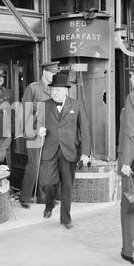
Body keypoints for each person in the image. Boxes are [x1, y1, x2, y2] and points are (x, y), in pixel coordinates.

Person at [38, 73, 91, 229]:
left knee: (67, 185)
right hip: (50, 150)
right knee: (48, 183)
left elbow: (85, 129)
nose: (54, 93)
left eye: (58, 90)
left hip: (69, 150)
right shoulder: (44, 105)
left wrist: (85, 153)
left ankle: (66, 218)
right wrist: (38, 130)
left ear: (66, 91)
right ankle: (50, 203)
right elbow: (34, 125)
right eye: (53, 90)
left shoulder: (76, 105)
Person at [19, 61, 60, 209]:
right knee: (34, 165)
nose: (55, 76)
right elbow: (25, 112)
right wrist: (35, 130)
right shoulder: (33, 88)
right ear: (45, 73)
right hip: (34, 131)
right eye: (53, 73)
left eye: (56, 73)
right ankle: (24, 196)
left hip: (49, 134)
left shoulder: (55, 90)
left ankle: (43, 197)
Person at [118, 58, 134, 265]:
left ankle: (132, 252)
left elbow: (132, 134)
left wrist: (126, 162)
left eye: (132, 75)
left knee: (132, 208)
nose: (131, 79)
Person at [0, 65, 13, 166]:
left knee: (2, 154)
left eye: (2, 77)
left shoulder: (8, 92)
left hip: (5, 127)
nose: (1, 79)